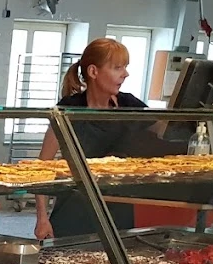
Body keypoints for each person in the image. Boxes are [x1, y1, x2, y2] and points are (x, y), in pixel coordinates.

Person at [34, 37, 167, 239]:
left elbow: (169, 130)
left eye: (125, 67)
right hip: (74, 210)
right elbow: (42, 168)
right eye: (117, 68)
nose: (125, 74)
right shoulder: (67, 110)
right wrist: (42, 218)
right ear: (93, 72)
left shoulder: (130, 105)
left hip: (119, 212)